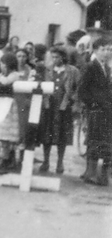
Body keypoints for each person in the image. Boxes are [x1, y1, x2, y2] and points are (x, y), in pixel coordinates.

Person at [38, 45, 80, 174]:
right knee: (47, 134)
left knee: (62, 135)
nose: (55, 59)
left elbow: (78, 87)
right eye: (53, 57)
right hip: (49, 106)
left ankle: (60, 162)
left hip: (63, 106)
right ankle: (45, 161)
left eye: (57, 57)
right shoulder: (48, 70)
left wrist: (72, 100)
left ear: (63, 57)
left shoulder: (72, 71)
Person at [77, 33, 112, 186]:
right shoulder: (91, 67)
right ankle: (90, 173)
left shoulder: (108, 69)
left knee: (106, 141)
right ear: (96, 51)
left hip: (108, 111)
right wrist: (93, 104)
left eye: (110, 49)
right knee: (94, 140)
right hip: (97, 110)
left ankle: (103, 175)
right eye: (104, 49)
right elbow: (82, 90)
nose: (107, 52)